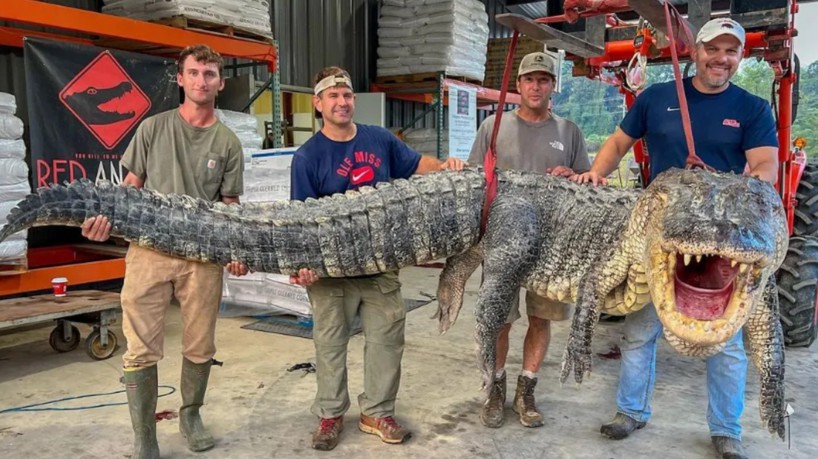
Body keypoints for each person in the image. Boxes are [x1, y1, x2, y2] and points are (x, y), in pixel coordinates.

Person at [572, 18, 778, 459]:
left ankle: (726, 430)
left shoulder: (753, 108)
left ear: (740, 58)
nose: (721, 59)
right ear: (694, 51)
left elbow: (764, 168)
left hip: (721, 239)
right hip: (662, 236)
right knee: (640, 329)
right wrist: (596, 172)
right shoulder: (658, 98)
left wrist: (734, 190)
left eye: (731, 52)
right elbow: (618, 142)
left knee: (727, 342)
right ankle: (630, 411)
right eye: (713, 49)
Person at [81, 44, 249, 459]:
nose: (201, 81)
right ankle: (145, 436)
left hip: (203, 257)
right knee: (139, 346)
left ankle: (190, 414)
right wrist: (106, 219)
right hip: (149, 252)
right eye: (193, 72)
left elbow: (230, 206)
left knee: (200, 345)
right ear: (180, 78)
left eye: (209, 74)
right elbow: (130, 190)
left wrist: (235, 247)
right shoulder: (153, 128)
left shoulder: (227, 142)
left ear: (220, 83)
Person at [289, 66, 465, 451]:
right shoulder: (307, 157)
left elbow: (418, 165)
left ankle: (377, 411)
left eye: (347, 95)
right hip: (330, 271)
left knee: (387, 340)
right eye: (333, 96)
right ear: (318, 104)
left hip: (380, 265)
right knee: (330, 344)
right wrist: (302, 266)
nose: (342, 102)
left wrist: (446, 165)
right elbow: (300, 220)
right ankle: (330, 415)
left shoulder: (380, 139)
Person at [468, 51, 590, 429]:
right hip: (502, 241)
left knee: (542, 318)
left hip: (552, 246)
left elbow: (586, 183)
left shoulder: (569, 131)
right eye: (529, 79)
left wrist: (572, 174)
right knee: (499, 319)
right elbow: (474, 182)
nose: (536, 86)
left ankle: (527, 389)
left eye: (544, 79)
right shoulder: (493, 127)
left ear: (553, 85)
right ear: (518, 85)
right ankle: (495, 388)